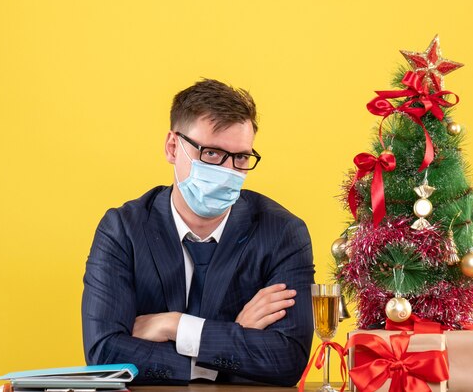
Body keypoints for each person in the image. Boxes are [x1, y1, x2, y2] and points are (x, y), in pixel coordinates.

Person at [81, 79, 315, 386]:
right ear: (172, 147)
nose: (228, 172)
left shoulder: (283, 233)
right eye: (212, 154)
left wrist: (176, 326)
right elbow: (104, 353)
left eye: (241, 158)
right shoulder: (122, 230)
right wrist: (229, 338)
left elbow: (287, 360)